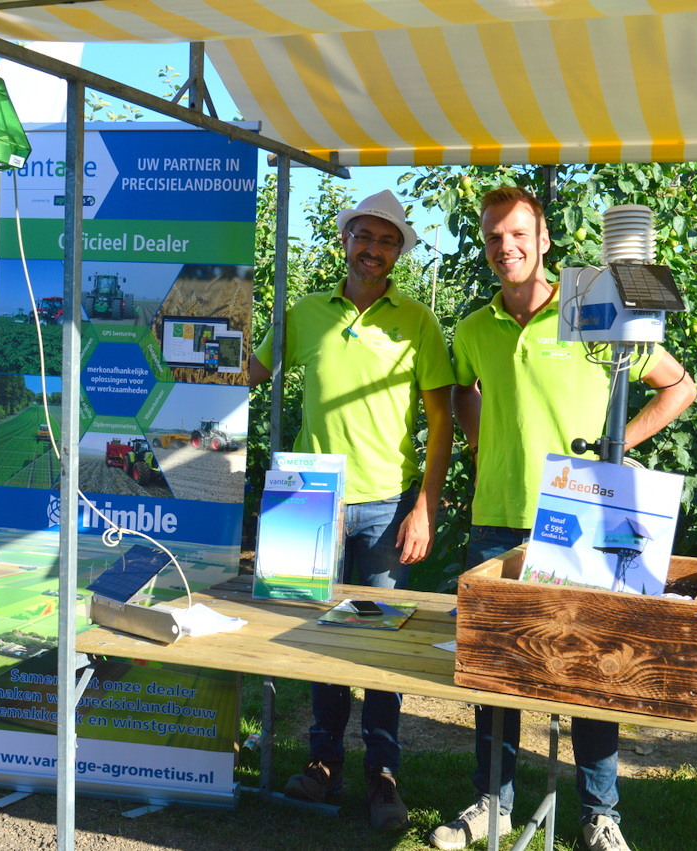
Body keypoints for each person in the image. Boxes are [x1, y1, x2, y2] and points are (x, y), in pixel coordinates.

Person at [428, 186, 697, 851]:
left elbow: (679, 385)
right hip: (497, 519)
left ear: (545, 239)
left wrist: (617, 446)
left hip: (581, 519)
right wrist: (481, 444)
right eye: (494, 237)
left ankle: (600, 814)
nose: (507, 247)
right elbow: (463, 389)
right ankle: (492, 804)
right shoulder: (474, 328)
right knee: (496, 672)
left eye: (519, 234)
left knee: (593, 672)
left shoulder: (592, 311)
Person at [249, 189, 456, 830]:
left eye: (387, 241)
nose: (373, 250)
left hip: (386, 507)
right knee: (318, 635)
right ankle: (324, 763)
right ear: (345, 241)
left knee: (380, 643)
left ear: (399, 253)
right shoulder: (305, 313)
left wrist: (425, 507)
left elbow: (442, 420)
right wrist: (183, 339)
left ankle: (383, 774)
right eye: (364, 236)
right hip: (310, 501)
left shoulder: (418, 322)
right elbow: (251, 372)